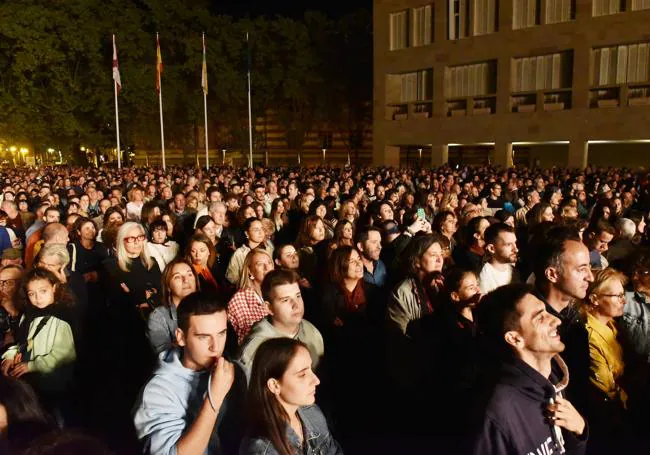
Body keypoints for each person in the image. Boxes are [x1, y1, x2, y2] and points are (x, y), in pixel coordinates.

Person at [469, 284, 588, 455]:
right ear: (515, 338)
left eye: (547, 312)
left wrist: (579, 432)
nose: (557, 320)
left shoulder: (553, 380)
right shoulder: (497, 413)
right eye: (540, 318)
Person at [134, 292, 245, 455]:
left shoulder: (230, 369)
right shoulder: (158, 391)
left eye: (221, 333)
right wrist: (213, 400)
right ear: (181, 337)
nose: (216, 347)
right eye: (203, 337)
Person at [239, 338, 342, 455]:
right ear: (274, 385)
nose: (316, 380)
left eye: (311, 369)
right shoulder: (262, 449)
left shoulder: (313, 413)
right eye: (302, 374)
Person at [532, 226, 594, 412]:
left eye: (589, 267)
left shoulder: (572, 314)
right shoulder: (534, 329)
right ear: (552, 274)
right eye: (582, 269)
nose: (590, 277)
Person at [1, 269, 76, 413]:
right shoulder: (28, 315)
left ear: (54, 288)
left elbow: (64, 355)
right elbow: (20, 341)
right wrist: (10, 356)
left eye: (43, 291)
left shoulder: (62, 318)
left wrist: (33, 365)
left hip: (54, 386)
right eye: (31, 293)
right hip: (32, 382)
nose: (38, 298)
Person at [238, 270, 324, 379]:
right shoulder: (254, 350)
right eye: (285, 300)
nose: (296, 305)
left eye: (298, 296)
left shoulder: (312, 332)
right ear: (269, 308)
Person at [147, 259, 199, 354]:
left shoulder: (207, 308)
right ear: (168, 286)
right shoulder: (158, 317)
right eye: (177, 277)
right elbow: (164, 356)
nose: (185, 280)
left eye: (189, 274)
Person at [228, 248, 274, 345]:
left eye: (269, 263)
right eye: (260, 264)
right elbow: (241, 340)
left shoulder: (279, 292)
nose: (267, 267)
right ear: (250, 271)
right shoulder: (239, 300)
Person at [226, 218, 274, 286]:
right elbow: (231, 277)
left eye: (262, 229)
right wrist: (247, 281)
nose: (260, 232)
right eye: (256, 230)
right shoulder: (239, 253)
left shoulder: (269, 249)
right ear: (247, 233)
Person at [479, 223, 519, 294]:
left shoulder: (514, 271)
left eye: (515, 243)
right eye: (508, 244)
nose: (516, 249)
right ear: (491, 248)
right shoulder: (484, 277)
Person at [0, 265, 23, 352]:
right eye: (0, 282)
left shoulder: (30, 309)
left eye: (9, 282)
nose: (2, 287)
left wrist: (13, 312)